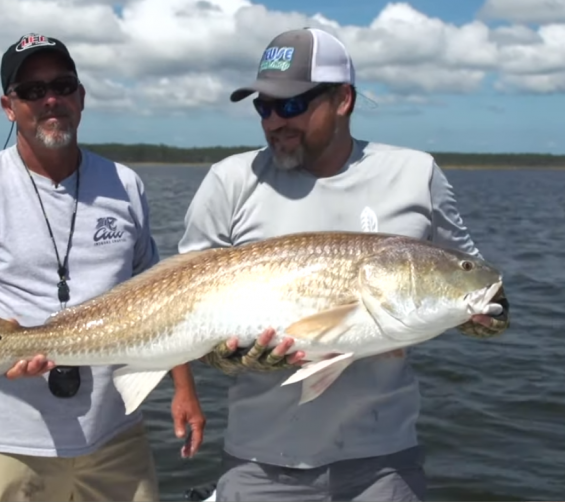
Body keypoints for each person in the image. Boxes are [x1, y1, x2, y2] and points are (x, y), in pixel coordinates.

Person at [178, 27, 510, 502]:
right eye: (263, 106)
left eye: (291, 104)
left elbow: (485, 294)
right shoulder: (230, 181)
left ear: (343, 99)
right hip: (260, 465)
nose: (274, 121)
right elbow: (184, 314)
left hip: (384, 465)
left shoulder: (416, 175)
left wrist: (484, 318)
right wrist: (223, 357)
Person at [0, 33, 205, 502]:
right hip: (13, 447)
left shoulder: (125, 184)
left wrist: (185, 389)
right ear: (9, 107)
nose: (50, 99)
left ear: (81, 97)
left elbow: (166, 298)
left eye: (62, 85)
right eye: (31, 91)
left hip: (117, 435)